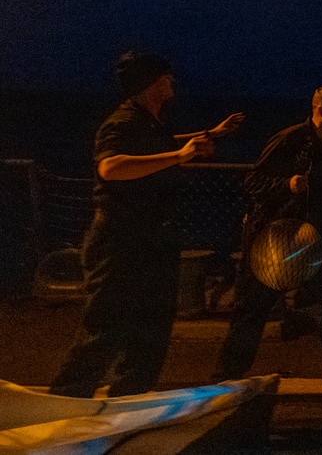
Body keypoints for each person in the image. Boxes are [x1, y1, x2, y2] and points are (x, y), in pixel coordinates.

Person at [49, 51, 243, 397]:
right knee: (107, 323)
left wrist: (210, 134)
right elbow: (111, 167)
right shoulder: (121, 123)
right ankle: (66, 397)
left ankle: (131, 395)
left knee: (152, 324)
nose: (173, 82)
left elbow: (161, 145)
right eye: (167, 77)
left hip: (154, 237)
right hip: (121, 239)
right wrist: (180, 156)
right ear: (150, 83)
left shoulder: (148, 123)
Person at [213, 85, 322, 387]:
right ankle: (227, 376)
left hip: (316, 235)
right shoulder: (291, 139)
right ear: (321, 109)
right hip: (276, 236)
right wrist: (286, 185)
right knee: (253, 305)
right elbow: (253, 180)